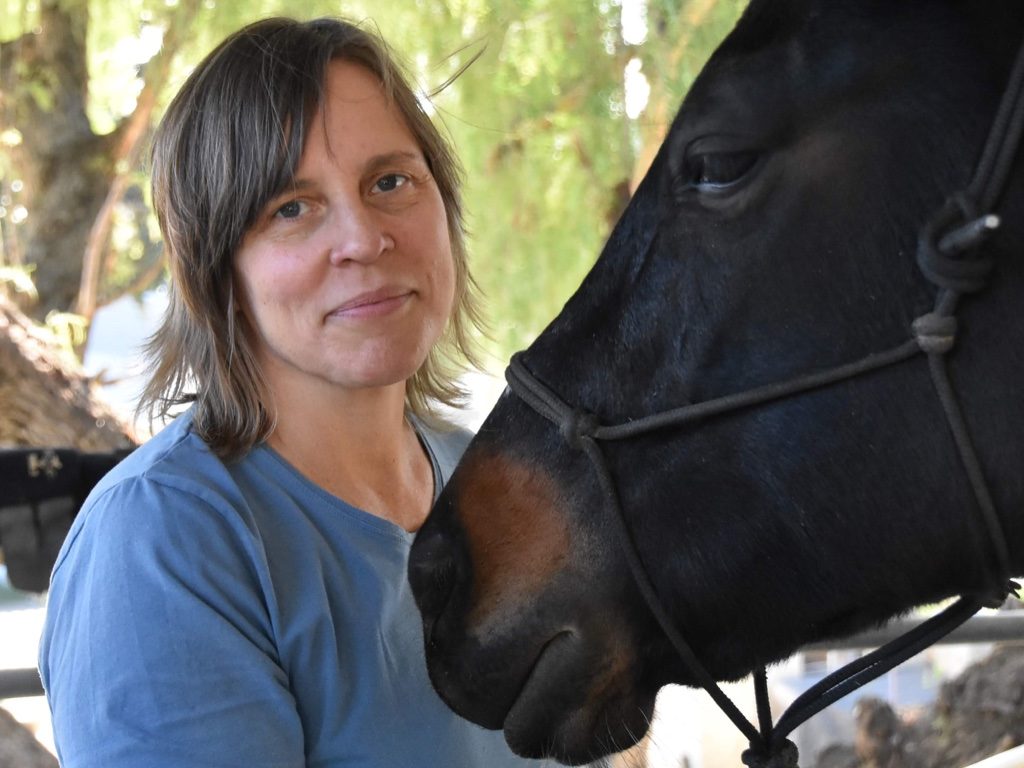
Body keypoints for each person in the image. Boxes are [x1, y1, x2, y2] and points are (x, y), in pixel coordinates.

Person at [38, 17, 554, 767]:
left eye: (390, 182)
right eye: (291, 208)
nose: (364, 239)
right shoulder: (162, 542)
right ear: (217, 270)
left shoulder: (494, 481)